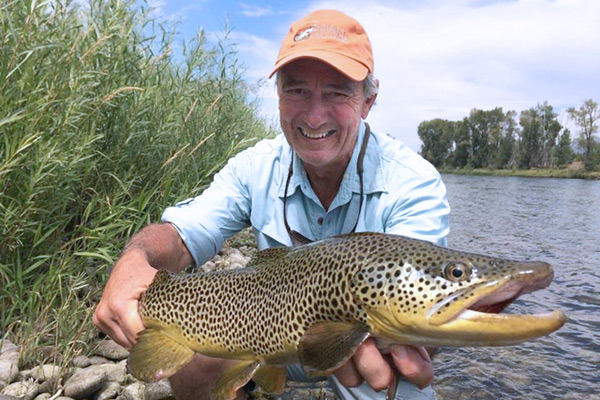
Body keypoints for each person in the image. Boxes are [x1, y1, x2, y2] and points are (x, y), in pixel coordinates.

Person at [93, 9, 450, 400]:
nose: (314, 116)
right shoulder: (255, 166)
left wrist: (410, 337)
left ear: (368, 101)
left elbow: (426, 306)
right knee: (195, 360)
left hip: (357, 342)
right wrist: (135, 257)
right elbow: (181, 236)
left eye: (336, 92)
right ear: (278, 96)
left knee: (398, 374)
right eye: (297, 90)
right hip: (265, 334)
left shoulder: (412, 181)